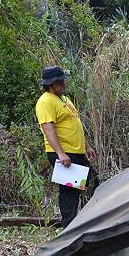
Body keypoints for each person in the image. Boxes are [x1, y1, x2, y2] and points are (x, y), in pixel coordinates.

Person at [35, 66, 96, 228]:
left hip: (76, 151)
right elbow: (48, 129)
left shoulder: (64, 99)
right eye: (59, 81)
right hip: (64, 154)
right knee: (69, 191)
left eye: (63, 80)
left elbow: (75, 124)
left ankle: (86, 221)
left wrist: (87, 147)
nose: (63, 83)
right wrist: (61, 154)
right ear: (50, 84)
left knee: (93, 183)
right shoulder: (45, 101)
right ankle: (69, 227)